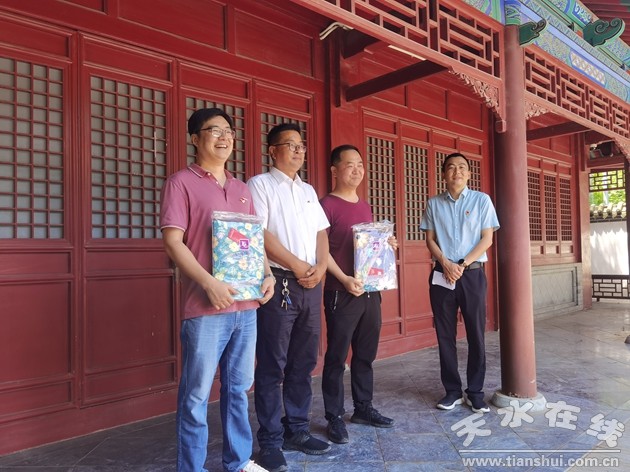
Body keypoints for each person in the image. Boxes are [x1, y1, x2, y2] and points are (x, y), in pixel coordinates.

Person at [160, 108, 274, 472]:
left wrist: (267, 274)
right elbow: (173, 242)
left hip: (246, 307)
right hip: (205, 307)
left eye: (228, 131)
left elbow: (253, 240)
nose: (224, 137)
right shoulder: (181, 182)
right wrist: (209, 283)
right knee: (196, 395)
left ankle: (238, 462)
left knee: (238, 389)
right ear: (195, 139)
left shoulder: (241, 189)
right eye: (214, 131)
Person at [247, 123, 331, 472]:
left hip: (311, 283)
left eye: (301, 145)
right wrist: (297, 265)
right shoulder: (259, 185)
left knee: (303, 361)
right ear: (273, 151)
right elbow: (259, 233)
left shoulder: (308, 190)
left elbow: (321, 233)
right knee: (272, 364)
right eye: (290, 145)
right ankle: (270, 440)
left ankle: (296, 429)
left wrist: (321, 266)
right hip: (280, 282)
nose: (298, 151)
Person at [319, 144, 396, 445]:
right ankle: (334, 416)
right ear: (334, 170)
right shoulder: (326, 205)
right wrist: (343, 278)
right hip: (341, 291)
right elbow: (321, 251)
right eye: (350, 164)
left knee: (365, 354)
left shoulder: (364, 206)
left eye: (360, 164)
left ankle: (363, 408)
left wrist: (386, 244)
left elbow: (368, 250)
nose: (357, 170)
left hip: (370, 292)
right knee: (337, 357)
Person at [420, 152, 500, 414]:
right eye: (451, 167)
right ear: (444, 174)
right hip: (442, 275)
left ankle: (475, 392)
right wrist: (446, 263)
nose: (457, 172)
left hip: (472, 274)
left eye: (462, 167)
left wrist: (462, 265)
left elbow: (487, 239)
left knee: (476, 334)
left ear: (469, 174)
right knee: (445, 335)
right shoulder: (434, 204)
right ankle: (452, 391)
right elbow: (430, 239)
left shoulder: (481, 200)